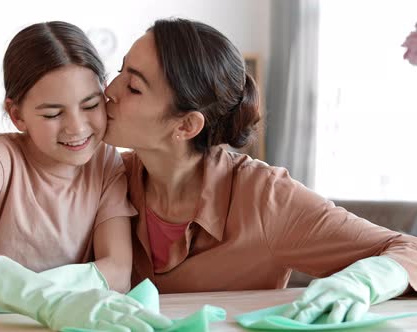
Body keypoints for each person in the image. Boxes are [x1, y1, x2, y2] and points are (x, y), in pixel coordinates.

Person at [103, 17, 417, 324]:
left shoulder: (264, 198)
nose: (109, 90)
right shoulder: (105, 177)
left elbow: (409, 250)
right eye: (119, 71)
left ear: (186, 125)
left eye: (133, 86)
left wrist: (362, 281)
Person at [0, 21, 171, 332]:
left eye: (91, 105)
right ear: (17, 115)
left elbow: (117, 271)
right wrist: (45, 300)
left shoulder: (104, 162)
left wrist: (48, 301)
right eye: (53, 114)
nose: (77, 128)